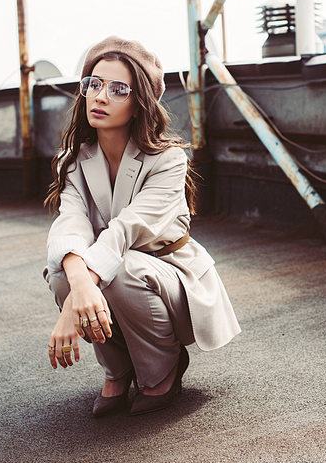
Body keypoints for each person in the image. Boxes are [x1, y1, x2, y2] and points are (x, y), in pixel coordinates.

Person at [43, 36, 240, 417]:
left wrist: (73, 307)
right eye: (94, 84)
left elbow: (125, 231)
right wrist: (75, 287)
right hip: (116, 272)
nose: (100, 97)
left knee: (122, 268)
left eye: (118, 89)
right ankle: (117, 370)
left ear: (138, 104)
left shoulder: (167, 160)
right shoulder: (73, 160)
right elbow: (70, 223)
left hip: (170, 279)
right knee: (62, 275)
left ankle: (162, 370)